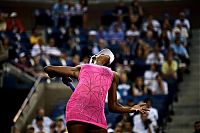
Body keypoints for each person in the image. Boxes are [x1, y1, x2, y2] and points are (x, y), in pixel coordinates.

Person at [44, 48, 149, 133]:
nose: (104, 54)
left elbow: (113, 106)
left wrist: (132, 109)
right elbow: (48, 68)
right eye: (100, 54)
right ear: (93, 58)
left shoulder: (113, 75)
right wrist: (59, 74)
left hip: (97, 116)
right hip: (77, 110)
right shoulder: (83, 68)